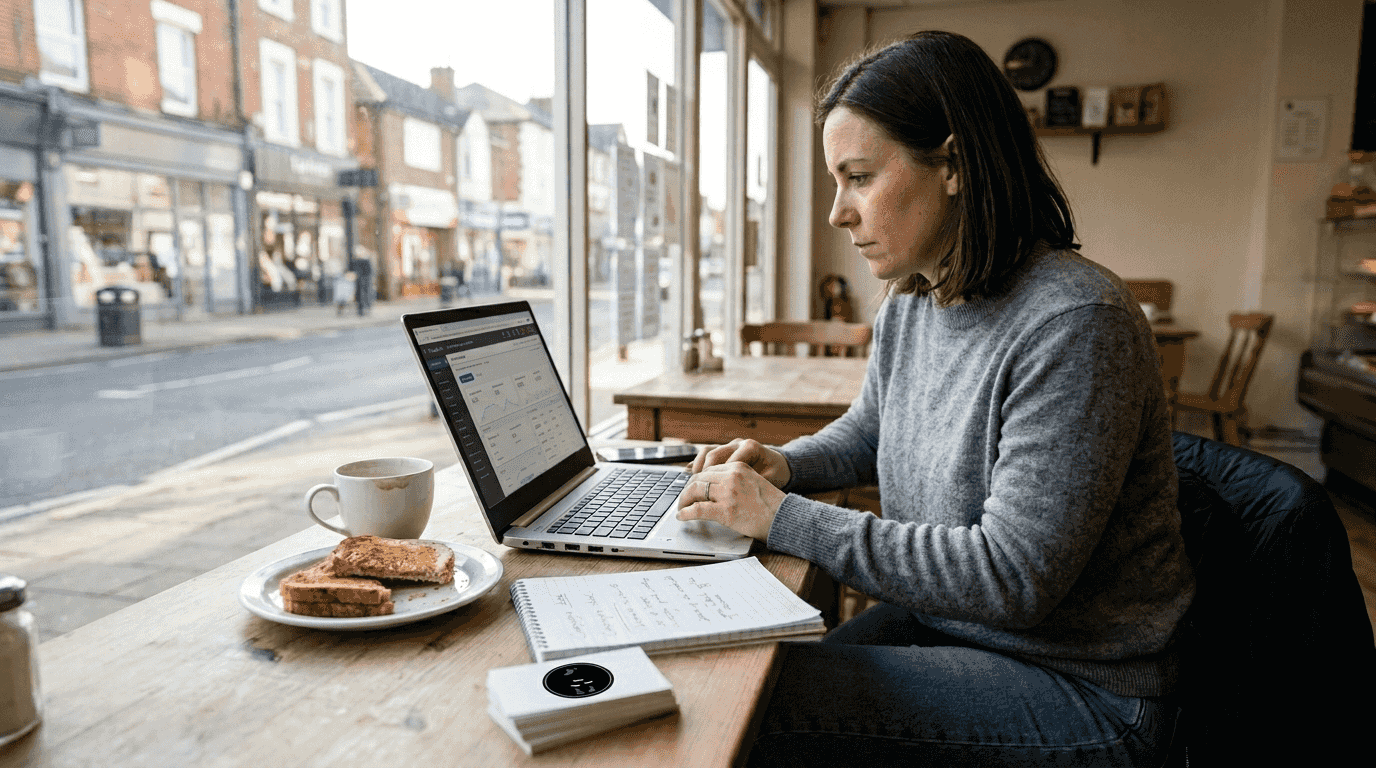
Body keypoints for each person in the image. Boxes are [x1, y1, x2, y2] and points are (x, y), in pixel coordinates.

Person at [675, 31, 1194, 767]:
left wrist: (782, 518)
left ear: (952, 165)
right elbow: (871, 430)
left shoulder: (1075, 323)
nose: (837, 212)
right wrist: (783, 465)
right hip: (954, 628)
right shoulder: (914, 298)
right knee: (745, 670)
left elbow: (1011, 576)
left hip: (1082, 683)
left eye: (858, 177)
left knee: (744, 706)